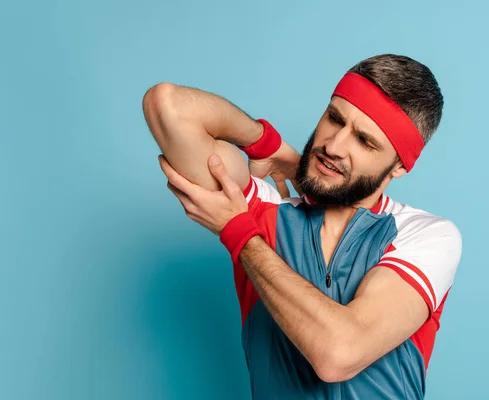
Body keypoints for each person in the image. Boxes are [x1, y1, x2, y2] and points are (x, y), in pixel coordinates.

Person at [143, 54, 462, 399]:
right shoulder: (266, 211)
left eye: (364, 141)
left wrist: (240, 235)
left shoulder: (424, 235)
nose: (333, 145)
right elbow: (168, 107)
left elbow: (339, 353)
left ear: (398, 165)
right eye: (335, 118)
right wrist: (263, 141)